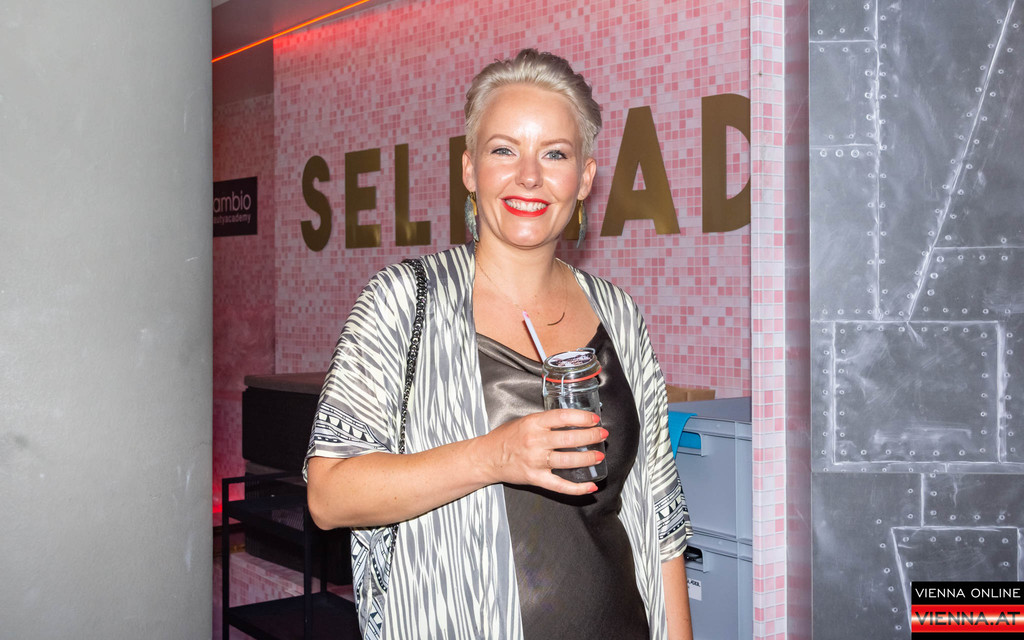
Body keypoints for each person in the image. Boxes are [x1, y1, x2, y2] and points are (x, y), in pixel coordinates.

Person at [305, 49, 694, 640]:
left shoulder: (618, 314)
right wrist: (496, 455)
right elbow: (330, 495)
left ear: (586, 178)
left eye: (555, 154)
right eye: (504, 150)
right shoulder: (402, 302)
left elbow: (662, 516)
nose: (529, 176)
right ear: (469, 169)